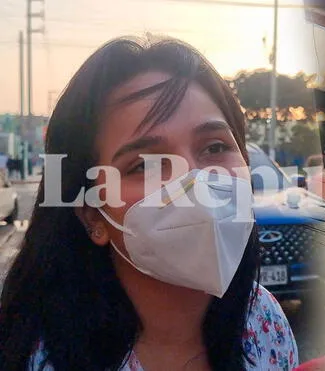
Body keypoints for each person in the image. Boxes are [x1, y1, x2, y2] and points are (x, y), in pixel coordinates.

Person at [0, 36, 298, 370]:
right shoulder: (34, 356)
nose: (195, 182)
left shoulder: (261, 323)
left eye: (214, 148)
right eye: (144, 165)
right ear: (92, 217)